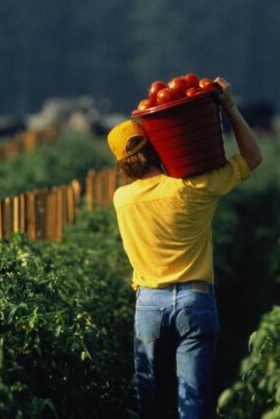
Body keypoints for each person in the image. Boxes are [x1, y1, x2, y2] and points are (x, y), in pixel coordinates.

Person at [107, 78, 262, 418]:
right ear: (155, 146)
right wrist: (229, 107)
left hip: (148, 304)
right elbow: (252, 157)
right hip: (194, 300)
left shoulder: (122, 200)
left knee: (151, 402)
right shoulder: (192, 187)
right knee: (193, 403)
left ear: (122, 163)